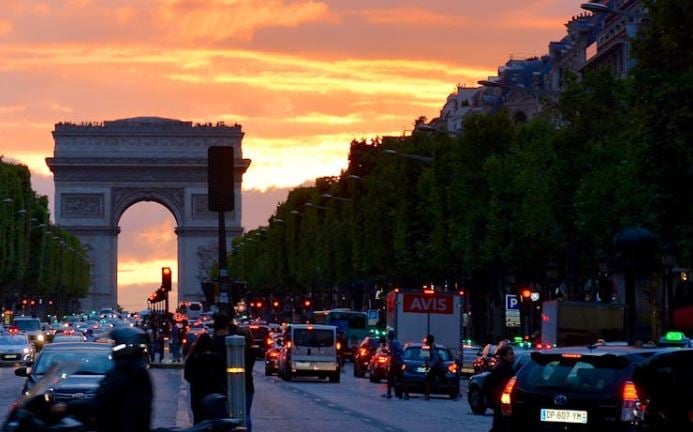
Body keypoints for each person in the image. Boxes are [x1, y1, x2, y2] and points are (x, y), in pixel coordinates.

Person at [55, 327, 153, 432]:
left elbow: (98, 403)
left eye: (115, 344)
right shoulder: (139, 373)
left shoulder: (121, 374)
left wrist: (67, 407)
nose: (113, 347)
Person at [184, 333, 226, 424]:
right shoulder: (216, 358)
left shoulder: (193, 358)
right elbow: (223, 375)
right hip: (214, 393)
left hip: (197, 393)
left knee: (198, 420)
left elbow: (187, 375)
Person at [484, 344, 515, 432]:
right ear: (504, 356)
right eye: (510, 354)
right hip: (502, 401)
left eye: (512, 353)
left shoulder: (503, 367)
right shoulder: (504, 368)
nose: (513, 356)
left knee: (499, 424)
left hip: (500, 401)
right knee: (501, 425)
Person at [382, 330, 409, 400]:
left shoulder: (394, 342)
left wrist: (394, 355)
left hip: (397, 363)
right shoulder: (391, 343)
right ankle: (403, 393)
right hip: (396, 362)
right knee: (399, 378)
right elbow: (392, 352)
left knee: (391, 377)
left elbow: (400, 351)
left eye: (389, 335)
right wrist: (388, 352)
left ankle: (390, 393)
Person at [424, 334, 444, 400]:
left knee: (428, 379)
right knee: (431, 379)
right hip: (437, 366)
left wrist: (430, 364)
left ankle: (427, 395)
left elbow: (435, 358)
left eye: (427, 339)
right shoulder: (431, 347)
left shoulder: (432, 347)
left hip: (436, 366)